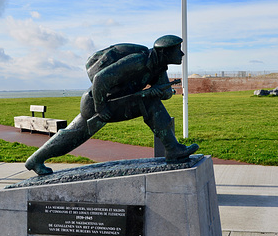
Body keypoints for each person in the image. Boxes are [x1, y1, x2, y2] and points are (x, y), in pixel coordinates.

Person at [25, 35, 199, 175]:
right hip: (97, 103)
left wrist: (160, 91)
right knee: (73, 136)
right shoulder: (138, 60)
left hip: (120, 101)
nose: (182, 54)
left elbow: (166, 94)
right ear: (164, 52)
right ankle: (35, 160)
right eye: (178, 50)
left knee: (152, 103)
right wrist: (102, 108)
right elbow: (100, 79)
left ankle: (172, 149)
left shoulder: (159, 67)